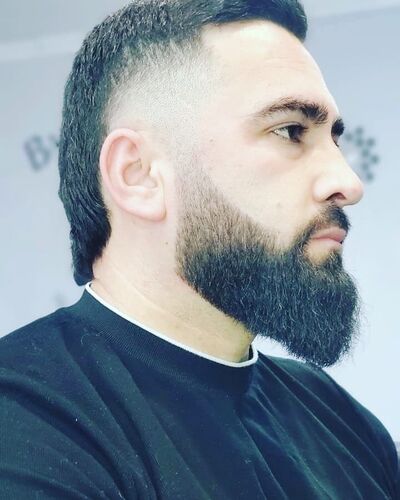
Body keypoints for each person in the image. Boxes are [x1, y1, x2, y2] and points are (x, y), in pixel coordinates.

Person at [0, 0, 398, 498]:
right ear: (139, 175)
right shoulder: (25, 424)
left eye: (333, 140)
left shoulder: (339, 420)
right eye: (290, 130)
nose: (347, 182)